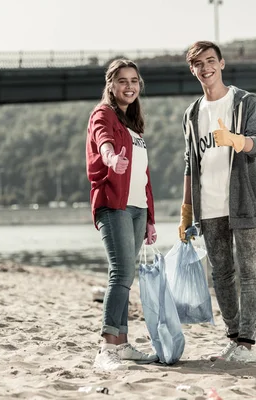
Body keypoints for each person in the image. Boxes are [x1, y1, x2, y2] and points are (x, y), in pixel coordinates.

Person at [178, 41, 256, 361]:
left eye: (210, 61)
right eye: (199, 64)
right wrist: (186, 210)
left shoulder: (244, 102)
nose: (206, 68)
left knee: (249, 272)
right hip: (210, 207)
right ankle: (233, 336)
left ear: (222, 63)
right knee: (222, 274)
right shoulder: (191, 114)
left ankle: (247, 341)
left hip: (244, 201)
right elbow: (191, 162)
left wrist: (236, 140)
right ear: (193, 70)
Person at [86, 59, 158, 371]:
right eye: (122, 81)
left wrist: (151, 218)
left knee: (126, 277)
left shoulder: (134, 124)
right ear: (111, 85)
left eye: (134, 81)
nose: (129, 86)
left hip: (138, 208)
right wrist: (111, 158)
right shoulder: (103, 114)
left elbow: (143, 174)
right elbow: (103, 140)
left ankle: (123, 343)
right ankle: (106, 346)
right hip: (113, 204)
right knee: (120, 273)